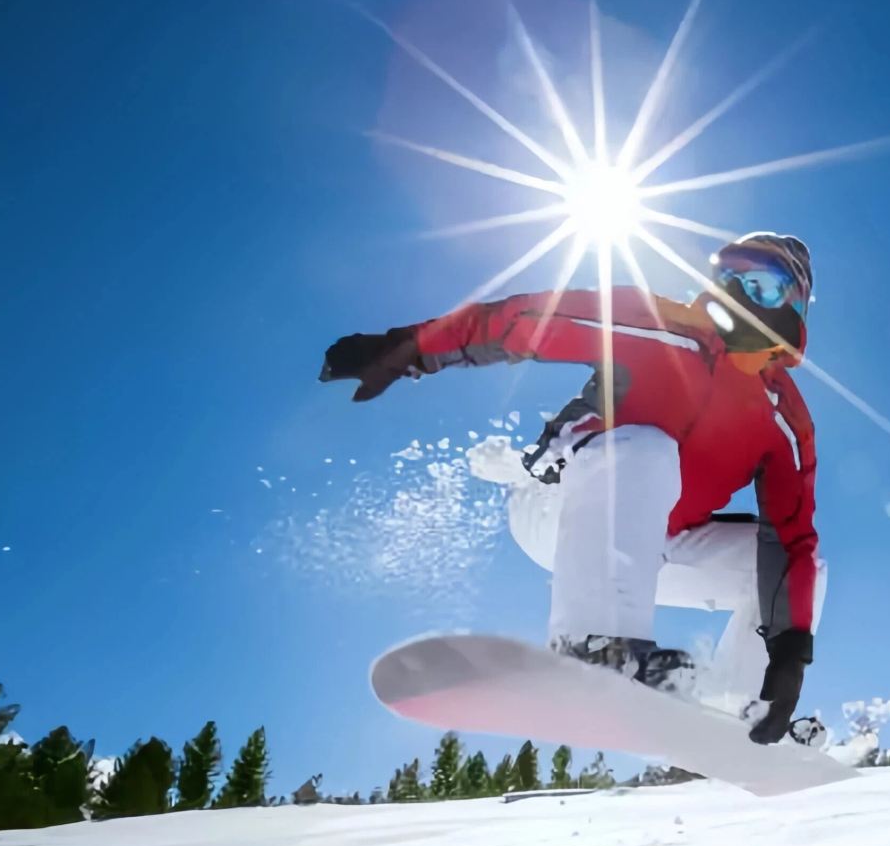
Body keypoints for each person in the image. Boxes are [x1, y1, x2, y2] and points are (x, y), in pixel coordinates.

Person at [320, 233, 825, 746]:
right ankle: (592, 647)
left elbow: (791, 540)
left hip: (656, 545)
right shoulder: (657, 325)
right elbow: (520, 321)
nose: (735, 291)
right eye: (727, 276)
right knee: (648, 447)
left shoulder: (785, 419)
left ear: (794, 304)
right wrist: (406, 349)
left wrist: (788, 655)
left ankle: (742, 712)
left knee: (796, 570)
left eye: (759, 284)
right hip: (561, 506)